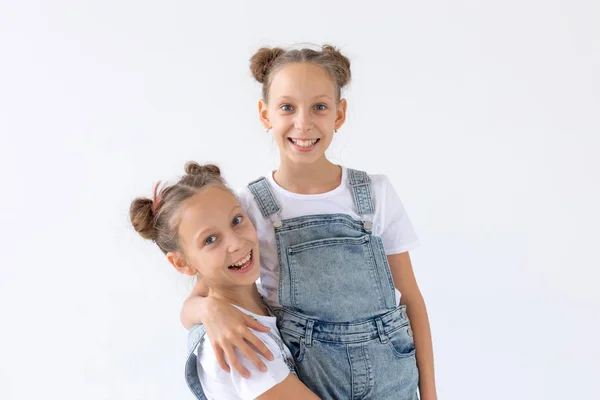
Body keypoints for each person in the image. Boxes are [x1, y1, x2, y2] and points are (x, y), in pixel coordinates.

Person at [182, 44, 437, 399]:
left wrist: (431, 394)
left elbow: (411, 300)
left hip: (394, 380)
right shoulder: (248, 206)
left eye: (319, 107)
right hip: (310, 382)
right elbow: (191, 304)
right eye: (287, 107)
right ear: (265, 113)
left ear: (339, 113)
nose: (303, 123)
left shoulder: (374, 194)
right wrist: (210, 310)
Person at [129, 162, 319, 400]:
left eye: (236, 220)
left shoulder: (262, 297)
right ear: (182, 263)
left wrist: (207, 307)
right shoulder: (237, 343)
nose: (236, 243)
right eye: (210, 240)